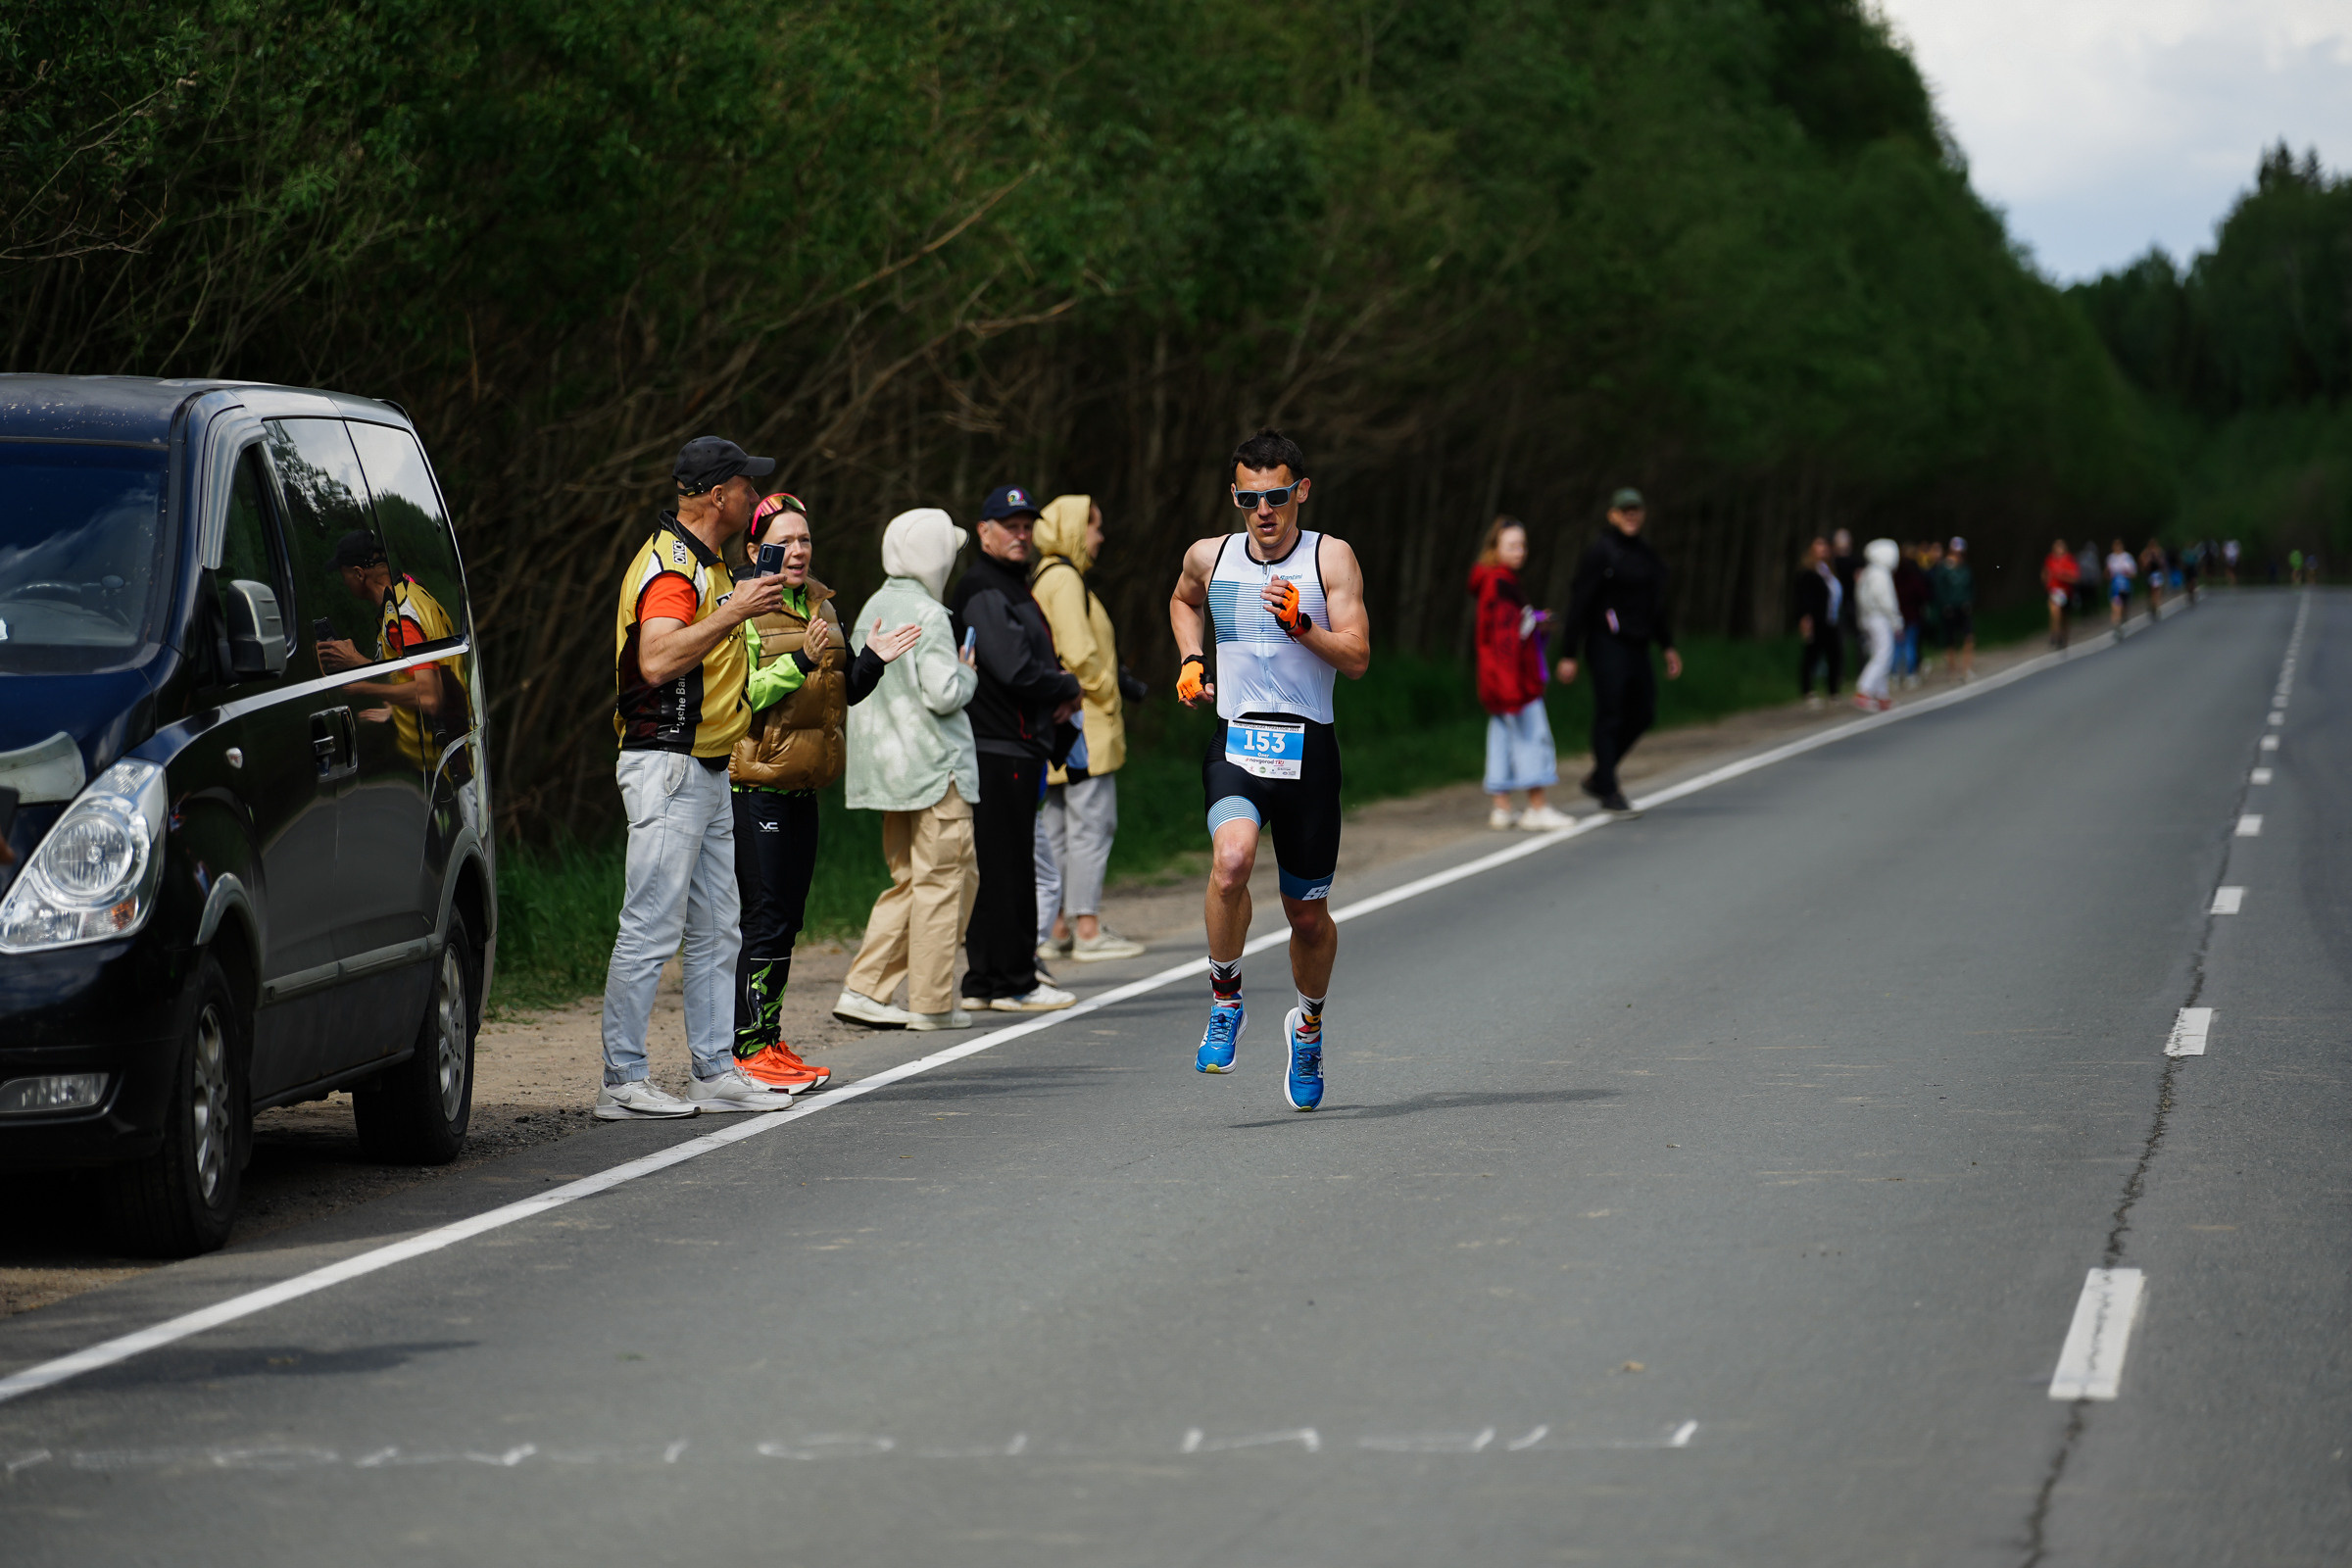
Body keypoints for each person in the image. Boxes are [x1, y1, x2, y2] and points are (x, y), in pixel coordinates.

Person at [1168, 428, 1371, 1112]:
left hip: (1308, 749)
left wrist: (1303, 628)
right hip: (1238, 743)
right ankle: (1226, 999)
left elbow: (1358, 656)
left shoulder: (1330, 559)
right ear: (1235, 497)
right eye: (1250, 498)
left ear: (1300, 492)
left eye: (1276, 496)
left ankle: (1308, 1027)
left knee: (1306, 917)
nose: (1263, 510)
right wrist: (1192, 661)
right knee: (1231, 861)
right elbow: (1183, 600)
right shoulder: (1210, 556)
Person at [596, 437, 792, 1120]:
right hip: (666, 763)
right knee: (651, 927)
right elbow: (655, 660)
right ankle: (621, 1081)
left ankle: (712, 1072)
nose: (753, 497)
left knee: (719, 928)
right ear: (718, 496)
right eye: (747, 486)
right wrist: (734, 612)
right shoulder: (671, 568)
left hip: (705, 766)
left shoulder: (705, 564)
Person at [728, 493, 918, 1093]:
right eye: (786, 540)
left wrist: (871, 663)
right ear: (757, 550)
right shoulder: (743, 608)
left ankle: (767, 1038)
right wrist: (802, 662)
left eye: (807, 539)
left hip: (805, 787)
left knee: (787, 922)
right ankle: (746, 1049)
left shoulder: (819, 604)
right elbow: (740, 698)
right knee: (764, 919)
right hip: (757, 785)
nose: (800, 550)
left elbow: (838, 697)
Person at [835, 509, 984, 1032]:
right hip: (935, 770)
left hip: (888, 772)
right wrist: (967, 675)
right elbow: (943, 695)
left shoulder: (874, 604)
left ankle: (864, 989)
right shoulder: (929, 612)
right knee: (948, 881)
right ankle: (931, 1002)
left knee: (910, 881)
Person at [949, 485, 1082, 1013]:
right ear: (984, 531)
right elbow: (1014, 667)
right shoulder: (985, 585)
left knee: (997, 863)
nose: (1021, 534)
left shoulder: (1007, 583)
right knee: (1008, 866)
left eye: (1027, 526)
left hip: (1008, 743)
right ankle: (1013, 980)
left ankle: (986, 979)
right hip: (1001, 744)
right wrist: (1066, 685)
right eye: (1010, 525)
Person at [1026, 494, 1147, 965]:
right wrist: (1108, 691)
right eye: (1093, 527)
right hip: (1084, 722)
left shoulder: (1041, 576)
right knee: (1092, 824)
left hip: (1056, 722)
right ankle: (1089, 928)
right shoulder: (1067, 579)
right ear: (1075, 530)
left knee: (1057, 824)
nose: (1099, 537)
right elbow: (1079, 653)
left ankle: (1055, 928)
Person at [1557, 488, 1683, 811]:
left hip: (1638, 644)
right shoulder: (1601, 552)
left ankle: (1600, 775)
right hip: (1605, 642)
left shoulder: (1646, 554)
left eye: (1636, 510)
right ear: (1612, 515)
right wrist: (1569, 653)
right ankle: (1610, 790)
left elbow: (1655, 607)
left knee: (1643, 712)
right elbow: (1580, 602)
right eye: (1625, 511)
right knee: (1610, 713)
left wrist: (1668, 645)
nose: (1631, 516)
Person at [318, 528, 466, 768]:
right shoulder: (410, 593)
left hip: (446, 767)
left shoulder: (402, 617)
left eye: (343, 574)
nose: (344, 582)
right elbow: (415, 676)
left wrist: (364, 685)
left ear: (358, 574)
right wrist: (395, 710)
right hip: (448, 754)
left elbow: (428, 696)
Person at [1469, 515, 1570, 830]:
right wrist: (1512, 686)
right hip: (1513, 680)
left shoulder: (1494, 581)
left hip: (1497, 679)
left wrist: (1537, 623)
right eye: (1512, 545)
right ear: (1494, 548)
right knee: (1532, 737)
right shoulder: (1500, 584)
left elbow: (1506, 633)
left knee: (1501, 737)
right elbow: (1503, 641)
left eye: (1522, 545)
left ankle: (1502, 809)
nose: (1519, 551)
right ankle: (1537, 808)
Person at [1793, 536, 1842, 709]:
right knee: (1812, 655)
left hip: (1831, 619)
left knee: (1835, 654)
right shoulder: (1808, 572)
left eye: (1825, 545)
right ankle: (1808, 691)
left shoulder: (1828, 570)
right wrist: (1805, 618)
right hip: (1816, 620)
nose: (1823, 549)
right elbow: (1803, 598)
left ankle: (1833, 691)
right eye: (1819, 545)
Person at [1854, 538, 1900, 711]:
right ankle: (1864, 690)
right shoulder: (1880, 574)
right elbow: (1887, 601)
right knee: (1883, 655)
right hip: (1879, 618)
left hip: (1868, 618)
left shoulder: (1869, 572)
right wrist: (1896, 621)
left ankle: (1882, 696)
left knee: (1879, 655)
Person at [1931, 536, 1975, 680]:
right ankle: (1952, 669)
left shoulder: (1965, 568)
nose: (1958, 555)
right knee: (1950, 640)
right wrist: (1945, 604)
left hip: (1963, 608)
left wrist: (1969, 601)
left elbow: (1970, 587)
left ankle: (1966, 669)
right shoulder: (1944, 568)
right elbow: (1939, 588)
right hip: (1949, 609)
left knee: (1968, 637)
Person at [1892, 542, 1928, 687]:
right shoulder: (1913, 574)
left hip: (1897, 614)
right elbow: (1922, 593)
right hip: (1911, 614)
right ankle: (1909, 674)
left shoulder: (1893, 575)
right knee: (1909, 646)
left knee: (1898, 647)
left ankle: (1895, 675)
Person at [2041, 537, 2080, 649]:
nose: (2059, 549)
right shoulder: (2050, 560)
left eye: (2061, 547)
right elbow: (2045, 572)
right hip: (2055, 591)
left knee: (2065, 617)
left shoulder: (2069, 560)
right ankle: (2055, 634)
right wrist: (2045, 579)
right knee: (2055, 611)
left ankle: (2064, 638)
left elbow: (2075, 577)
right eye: (2057, 547)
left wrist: (2064, 576)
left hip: (2066, 592)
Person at [2104, 538, 2136, 632]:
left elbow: (2133, 573)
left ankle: (2123, 620)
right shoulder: (2110, 558)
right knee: (2116, 605)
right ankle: (2116, 624)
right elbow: (2107, 574)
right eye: (2116, 545)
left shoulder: (2127, 557)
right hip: (2115, 587)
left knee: (2125, 606)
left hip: (2125, 586)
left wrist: (2128, 573)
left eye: (2119, 545)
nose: (2118, 547)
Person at [2141, 540, 2168, 617]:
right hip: (2151, 574)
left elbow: (2162, 562)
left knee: (2158, 590)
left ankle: (2156, 606)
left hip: (2157, 573)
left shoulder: (2159, 551)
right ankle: (2153, 606)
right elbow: (2143, 563)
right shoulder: (2146, 553)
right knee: (2153, 592)